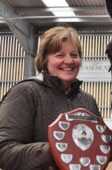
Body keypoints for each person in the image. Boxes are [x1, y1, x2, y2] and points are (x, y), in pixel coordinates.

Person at [0, 26, 101, 169]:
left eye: (74, 55)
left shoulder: (88, 101)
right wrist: (58, 149)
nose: (69, 61)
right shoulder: (25, 93)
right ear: (45, 60)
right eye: (59, 55)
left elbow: (96, 149)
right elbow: (4, 151)